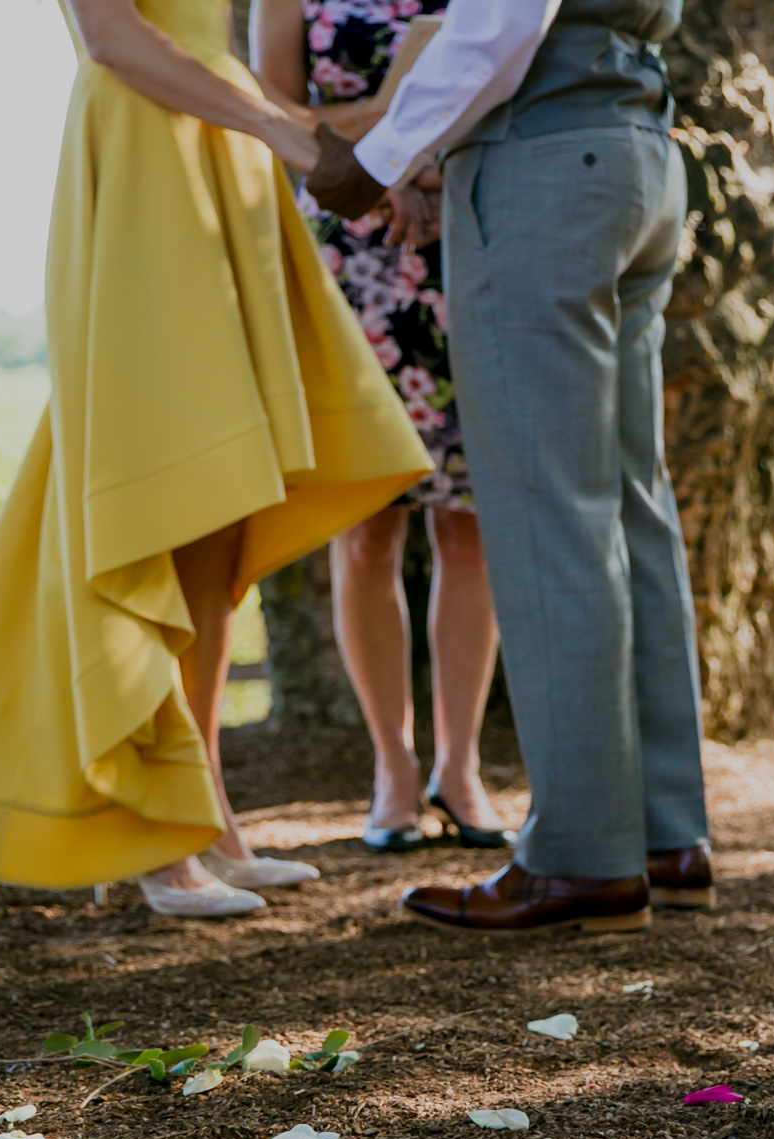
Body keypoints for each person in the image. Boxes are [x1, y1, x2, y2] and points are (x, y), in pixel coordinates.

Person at [0, 0, 431, 918]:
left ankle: (201, 819)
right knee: (155, 472)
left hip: (224, 168)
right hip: (143, 160)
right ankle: (146, 832)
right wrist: (294, 136)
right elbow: (115, 40)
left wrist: (339, 151)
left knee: (220, 497)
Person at [304, 0, 715, 933]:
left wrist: (377, 157)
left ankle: (580, 858)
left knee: (546, 511)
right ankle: (662, 837)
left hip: (542, 165)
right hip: (637, 151)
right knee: (629, 503)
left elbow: (501, 22)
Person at [249, 0, 513, 855]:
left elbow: (506, 81)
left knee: (470, 527)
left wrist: (429, 166)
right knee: (365, 530)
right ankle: (392, 766)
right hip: (348, 259)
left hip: (466, 246)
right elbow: (267, 113)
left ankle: (460, 766)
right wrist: (387, 150)